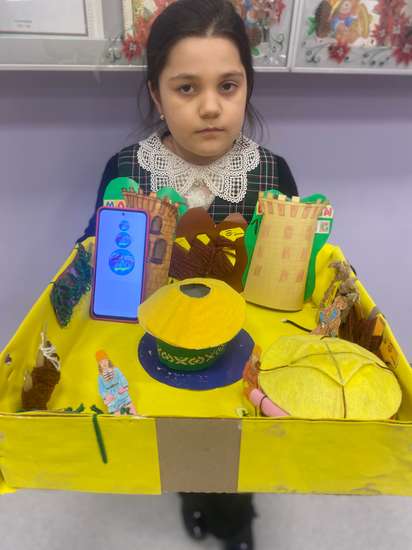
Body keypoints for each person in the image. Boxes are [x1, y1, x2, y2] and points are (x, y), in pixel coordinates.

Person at [79, 1, 298, 548]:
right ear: (156, 94)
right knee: (178, 441)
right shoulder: (128, 171)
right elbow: (95, 252)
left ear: (247, 87)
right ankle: (191, 494)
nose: (210, 106)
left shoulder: (270, 174)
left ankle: (238, 515)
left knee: (235, 449)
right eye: (185, 88)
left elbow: (298, 264)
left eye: (228, 86)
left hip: (241, 357)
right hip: (158, 353)